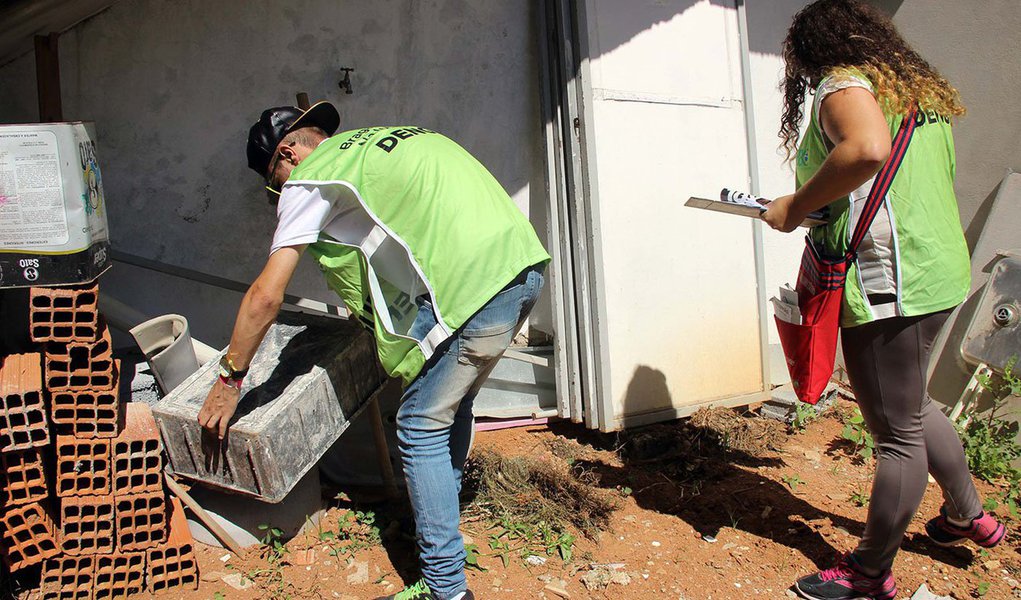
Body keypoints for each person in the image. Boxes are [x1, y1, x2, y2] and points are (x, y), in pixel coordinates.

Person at [197, 101, 550, 600]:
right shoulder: (376, 144)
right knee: (449, 407)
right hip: (521, 269)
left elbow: (266, 295)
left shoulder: (311, 179)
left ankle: (447, 590)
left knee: (420, 424)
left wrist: (231, 378)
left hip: (473, 290)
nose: (277, 193)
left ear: (287, 155)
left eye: (273, 180)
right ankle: (438, 524)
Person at [762, 2, 1006, 599]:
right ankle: (969, 516)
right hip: (936, 267)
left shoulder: (842, 84)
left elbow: (866, 150)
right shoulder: (914, 93)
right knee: (914, 405)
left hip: (889, 280)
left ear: (813, 49)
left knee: (895, 432)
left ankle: (869, 573)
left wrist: (794, 207)